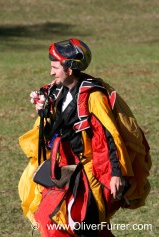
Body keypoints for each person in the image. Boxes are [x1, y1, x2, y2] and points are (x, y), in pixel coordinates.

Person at [18, 38, 151, 237]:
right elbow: (51, 133)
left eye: (55, 67)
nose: (51, 72)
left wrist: (115, 173)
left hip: (89, 170)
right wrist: (43, 111)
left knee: (88, 224)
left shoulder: (93, 96)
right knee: (49, 218)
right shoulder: (57, 90)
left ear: (70, 69)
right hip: (63, 166)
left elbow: (108, 134)